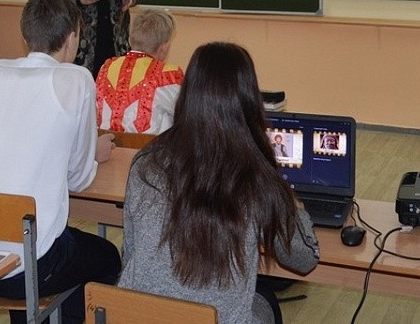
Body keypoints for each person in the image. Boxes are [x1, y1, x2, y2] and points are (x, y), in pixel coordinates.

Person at [118, 42, 320, 324]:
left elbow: (130, 252)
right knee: (265, 303)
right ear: (249, 100)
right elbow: (304, 258)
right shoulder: (257, 177)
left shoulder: (146, 162)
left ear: (188, 94)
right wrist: (295, 207)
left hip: (134, 316)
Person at [0, 0, 120, 324]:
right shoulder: (76, 78)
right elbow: (79, 178)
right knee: (107, 256)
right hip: (26, 265)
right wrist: (93, 153)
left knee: (36, 240)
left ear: (25, 35)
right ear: (72, 37)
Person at [95, 9, 184, 135]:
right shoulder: (169, 74)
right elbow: (187, 115)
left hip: (107, 145)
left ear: (130, 40)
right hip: (149, 147)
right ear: (164, 47)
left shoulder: (107, 67)